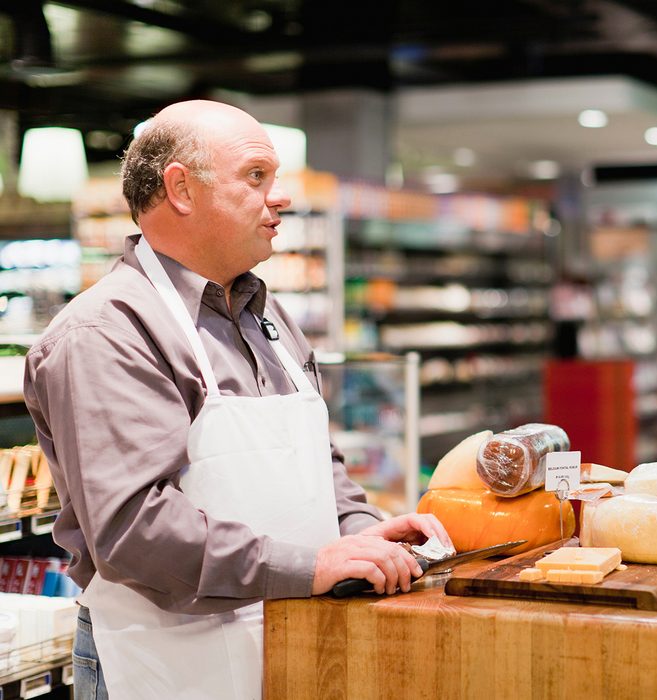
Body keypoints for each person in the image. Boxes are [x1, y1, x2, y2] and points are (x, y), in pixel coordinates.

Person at [23, 99, 452, 700]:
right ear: (181, 189)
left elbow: (313, 461)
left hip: (292, 644)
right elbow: (133, 528)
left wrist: (361, 533)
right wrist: (311, 567)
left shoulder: (268, 317)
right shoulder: (107, 333)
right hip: (164, 659)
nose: (279, 198)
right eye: (256, 177)